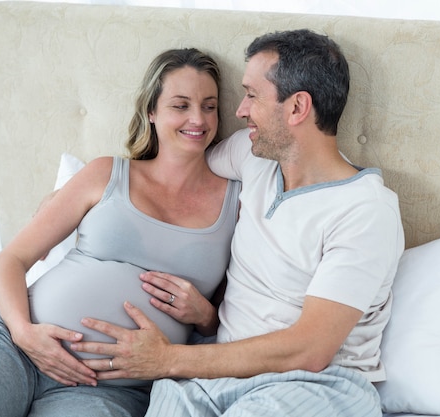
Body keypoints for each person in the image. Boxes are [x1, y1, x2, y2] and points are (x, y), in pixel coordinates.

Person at [71, 29, 405, 416]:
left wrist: (168, 360)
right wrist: (78, 198)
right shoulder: (252, 155)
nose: (239, 111)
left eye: (252, 95)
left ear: (297, 107)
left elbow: (310, 349)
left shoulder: (364, 210)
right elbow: (173, 175)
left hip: (316, 384)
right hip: (212, 376)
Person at [0, 48, 240, 417]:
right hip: (17, 350)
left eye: (209, 105)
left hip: (108, 389)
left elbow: (231, 317)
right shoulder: (106, 174)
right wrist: (24, 332)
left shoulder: (237, 202)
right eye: (180, 105)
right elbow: (11, 259)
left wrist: (204, 315)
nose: (198, 118)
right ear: (151, 112)